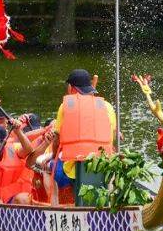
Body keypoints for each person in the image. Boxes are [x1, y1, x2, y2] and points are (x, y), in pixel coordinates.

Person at [45, 69, 116, 206]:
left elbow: (57, 139)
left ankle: (56, 207)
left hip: (74, 169)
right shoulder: (107, 106)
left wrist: (53, 155)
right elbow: (112, 136)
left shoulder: (65, 106)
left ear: (71, 87)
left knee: (49, 168)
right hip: (105, 165)